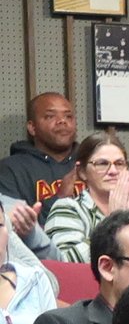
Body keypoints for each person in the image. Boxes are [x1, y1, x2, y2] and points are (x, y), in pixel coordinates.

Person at [43, 132, 129, 264]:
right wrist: (114, 224)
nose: (113, 171)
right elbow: (67, 263)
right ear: (82, 172)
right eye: (102, 163)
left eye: (119, 163)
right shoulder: (68, 209)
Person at [0, 91, 80, 245]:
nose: (62, 121)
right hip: (39, 260)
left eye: (68, 116)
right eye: (50, 116)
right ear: (32, 127)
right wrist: (60, 199)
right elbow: (12, 231)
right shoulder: (10, 170)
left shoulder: (93, 163)